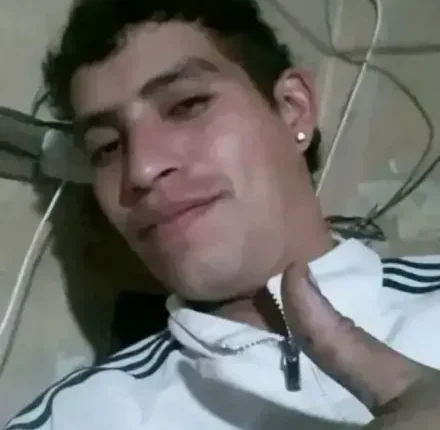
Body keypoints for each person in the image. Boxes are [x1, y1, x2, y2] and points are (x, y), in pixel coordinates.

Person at [6, 0, 440, 429]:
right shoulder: (75, 418)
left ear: (293, 108)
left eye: (187, 105)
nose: (141, 169)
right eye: (106, 147)